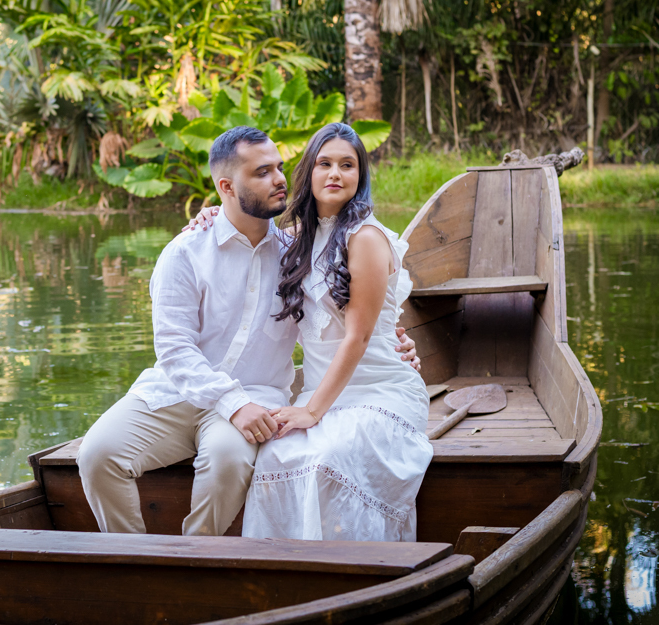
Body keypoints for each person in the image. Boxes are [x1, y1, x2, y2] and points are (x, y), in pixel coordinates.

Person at [76, 126, 419, 536]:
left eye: (279, 168)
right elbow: (174, 349)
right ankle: (132, 560)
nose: (278, 180)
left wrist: (397, 339)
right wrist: (231, 402)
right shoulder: (186, 251)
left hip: (256, 399)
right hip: (176, 393)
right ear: (226, 186)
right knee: (96, 454)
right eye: (262, 173)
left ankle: (195, 560)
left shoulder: (295, 251)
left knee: (227, 462)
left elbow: (352, 311)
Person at [190, 123, 433, 542]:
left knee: (326, 458)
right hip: (321, 392)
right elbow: (242, 225)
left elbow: (357, 338)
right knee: (274, 458)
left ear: (360, 177)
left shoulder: (367, 238)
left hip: (377, 390)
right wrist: (211, 214)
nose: (335, 173)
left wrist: (312, 413)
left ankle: (356, 571)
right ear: (309, 171)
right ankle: (283, 570)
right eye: (324, 163)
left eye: (347, 165)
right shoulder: (296, 238)